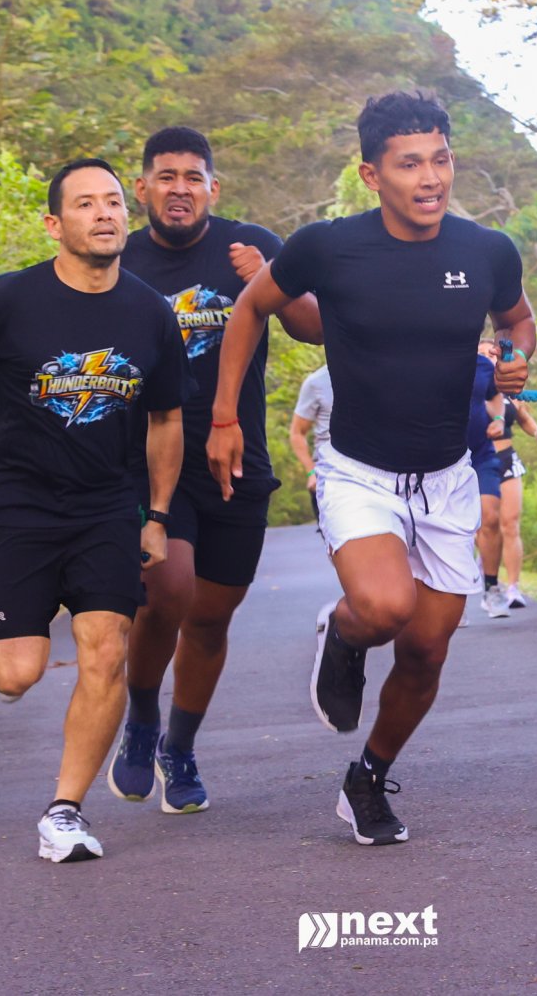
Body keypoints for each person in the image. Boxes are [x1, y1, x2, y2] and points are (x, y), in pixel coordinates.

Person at [208, 91, 535, 845]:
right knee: (386, 608)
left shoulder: (486, 251)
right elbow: (252, 307)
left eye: (441, 160)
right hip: (360, 472)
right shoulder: (329, 247)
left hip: (448, 477)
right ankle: (347, 631)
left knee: (425, 650)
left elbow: (516, 318)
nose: (431, 178)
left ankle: (368, 777)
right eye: (410, 164)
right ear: (371, 174)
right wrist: (226, 418)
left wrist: (516, 356)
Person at [0, 159, 192, 861]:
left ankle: (65, 811)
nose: (104, 213)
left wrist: (157, 515)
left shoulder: (149, 313)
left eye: (113, 201)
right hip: (15, 503)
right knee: (15, 672)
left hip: (105, 506)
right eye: (85, 204)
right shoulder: (9, 299)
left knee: (105, 652)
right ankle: (21, 632)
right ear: (55, 224)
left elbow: (167, 418)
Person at [107, 127, 322, 814]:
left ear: (212, 188)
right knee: (165, 592)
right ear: (142, 187)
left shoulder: (249, 244)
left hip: (237, 459)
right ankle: (142, 717)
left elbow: (314, 326)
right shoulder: (119, 257)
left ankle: (180, 746)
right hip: (147, 462)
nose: (180, 189)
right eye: (166, 176)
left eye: (193, 177)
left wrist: (266, 277)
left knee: (209, 618)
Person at [479, 339, 537, 613]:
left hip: (507, 460)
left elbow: (524, 417)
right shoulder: (469, 388)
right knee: (483, 525)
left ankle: (513, 588)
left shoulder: (508, 389)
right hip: (477, 462)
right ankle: (479, 578)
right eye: (481, 354)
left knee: (510, 525)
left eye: (491, 354)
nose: (487, 358)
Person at [466, 343, 507, 620]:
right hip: (442, 460)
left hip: (481, 454)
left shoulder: (483, 367)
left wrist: (499, 419)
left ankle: (491, 588)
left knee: (490, 517)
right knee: (451, 527)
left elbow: (494, 396)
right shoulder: (432, 359)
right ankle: (448, 593)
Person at [289, 364, 334, 523]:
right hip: (329, 475)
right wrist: (311, 472)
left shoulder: (376, 374)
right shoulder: (317, 382)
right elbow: (297, 433)